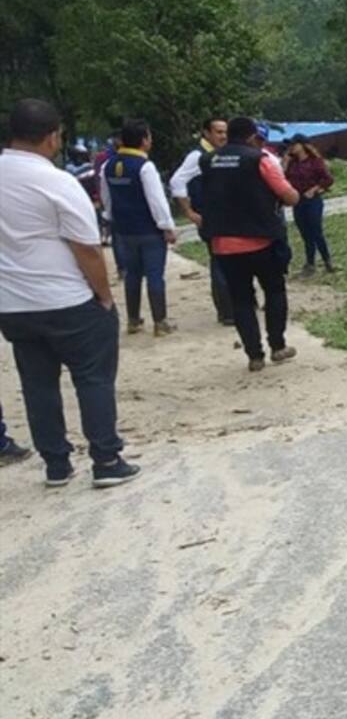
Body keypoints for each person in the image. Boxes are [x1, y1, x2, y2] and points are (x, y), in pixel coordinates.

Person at [0, 98, 140, 488]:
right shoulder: (56, 181)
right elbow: (87, 247)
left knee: (37, 384)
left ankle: (56, 464)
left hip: (12, 304)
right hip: (66, 298)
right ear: (51, 137)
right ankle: (106, 458)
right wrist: (105, 296)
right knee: (93, 378)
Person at [199, 117, 300, 372]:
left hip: (223, 244)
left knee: (241, 300)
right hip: (261, 240)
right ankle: (277, 346)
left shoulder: (208, 160)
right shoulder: (260, 159)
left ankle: (254, 356)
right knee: (275, 291)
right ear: (251, 136)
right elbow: (289, 195)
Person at [100, 119, 178, 336]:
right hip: (148, 230)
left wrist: (109, 217)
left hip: (123, 230)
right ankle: (160, 322)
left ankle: (133, 320)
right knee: (154, 275)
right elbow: (157, 201)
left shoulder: (108, 165)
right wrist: (167, 226)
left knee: (132, 274)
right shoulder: (145, 166)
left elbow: (107, 198)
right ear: (144, 140)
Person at [169, 117, 234, 324]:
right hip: (210, 217)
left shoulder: (223, 153)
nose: (223, 136)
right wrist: (189, 212)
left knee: (228, 260)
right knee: (220, 261)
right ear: (206, 133)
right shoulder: (197, 156)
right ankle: (227, 311)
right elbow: (176, 181)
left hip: (226, 216)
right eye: (218, 132)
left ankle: (229, 307)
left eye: (225, 132)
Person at [284, 135, 336, 278]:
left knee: (316, 231)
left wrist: (314, 189)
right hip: (298, 200)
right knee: (305, 233)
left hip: (312, 201)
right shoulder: (292, 163)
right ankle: (310, 263)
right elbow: (284, 179)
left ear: (303, 145)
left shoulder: (315, 162)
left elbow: (328, 179)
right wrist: (285, 163)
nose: (292, 147)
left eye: (294, 144)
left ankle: (327, 261)